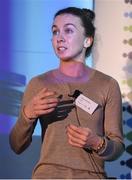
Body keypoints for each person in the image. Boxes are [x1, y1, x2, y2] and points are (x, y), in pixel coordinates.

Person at [9, 7, 125, 179]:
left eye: (68, 30)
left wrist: (97, 143)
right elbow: (16, 145)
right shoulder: (38, 84)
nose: (59, 38)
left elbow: (117, 148)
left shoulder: (107, 85)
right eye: (55, 32)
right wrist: (28, 114)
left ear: (87, 40)